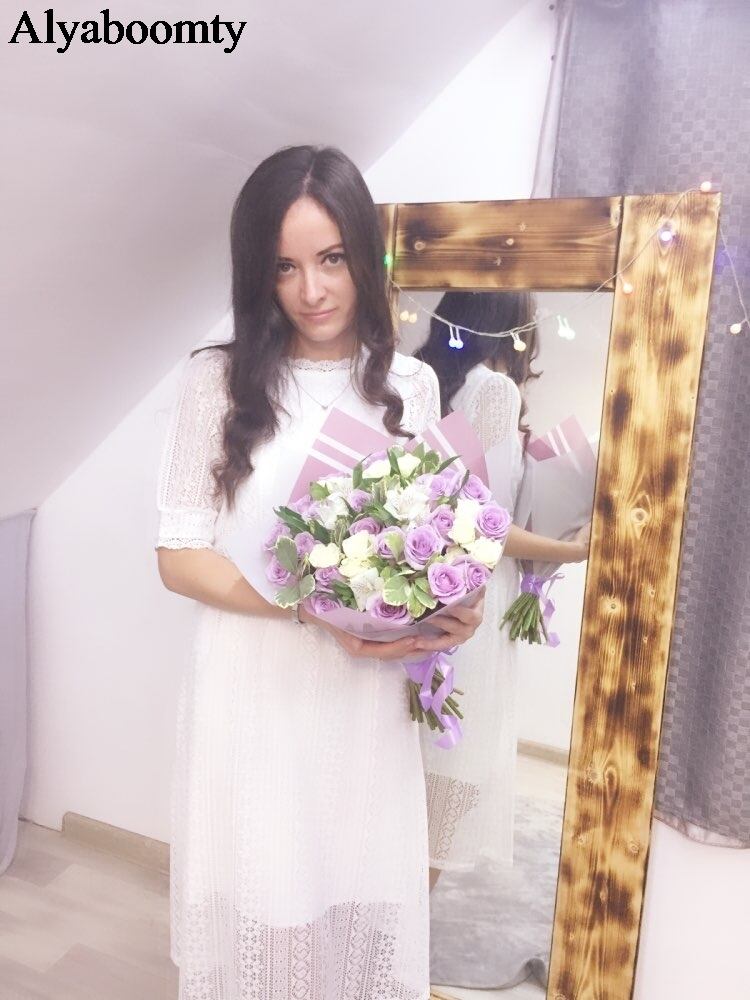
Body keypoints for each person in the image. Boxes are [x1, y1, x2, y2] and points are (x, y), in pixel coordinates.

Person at [154, 146, 484, 1000]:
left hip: (362, 696)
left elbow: (434, 535)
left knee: (354, 906)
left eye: (332, 258)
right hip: (253, 687)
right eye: (285, 267)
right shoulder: (216, 381)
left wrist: (454, 604)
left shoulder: (410, 384)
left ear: (364, 254)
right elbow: (179, 555)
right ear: (256, 273)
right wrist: (307, 609)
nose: (312, 290)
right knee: (266, 907)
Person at [414, 291, 589, 890]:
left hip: (430, 595)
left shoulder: (429, 384)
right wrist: (574, 549)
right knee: (449, 786)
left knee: (419, 782)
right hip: (472, 610)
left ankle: (384, 926)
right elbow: (477, 521)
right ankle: (403, 933)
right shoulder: (493, 390)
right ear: (514, 327)